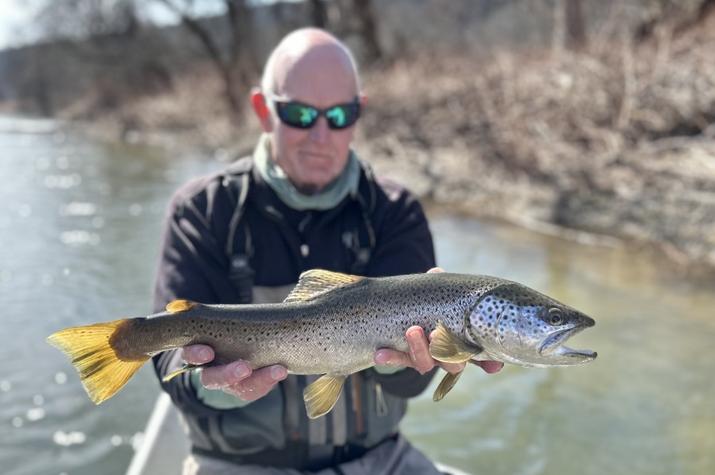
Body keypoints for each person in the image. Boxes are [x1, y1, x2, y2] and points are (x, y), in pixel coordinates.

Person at [153, 28, 502, 475]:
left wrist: (410, 362)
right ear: (264, 110)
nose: (321, 134)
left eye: (339, 115)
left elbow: (410, 387)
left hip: (378, 461)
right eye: (299, 113)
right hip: (237, 465)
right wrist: (209, 379)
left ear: (358, 116)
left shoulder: (394, 212)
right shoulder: (203, 211)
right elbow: (167, 358)